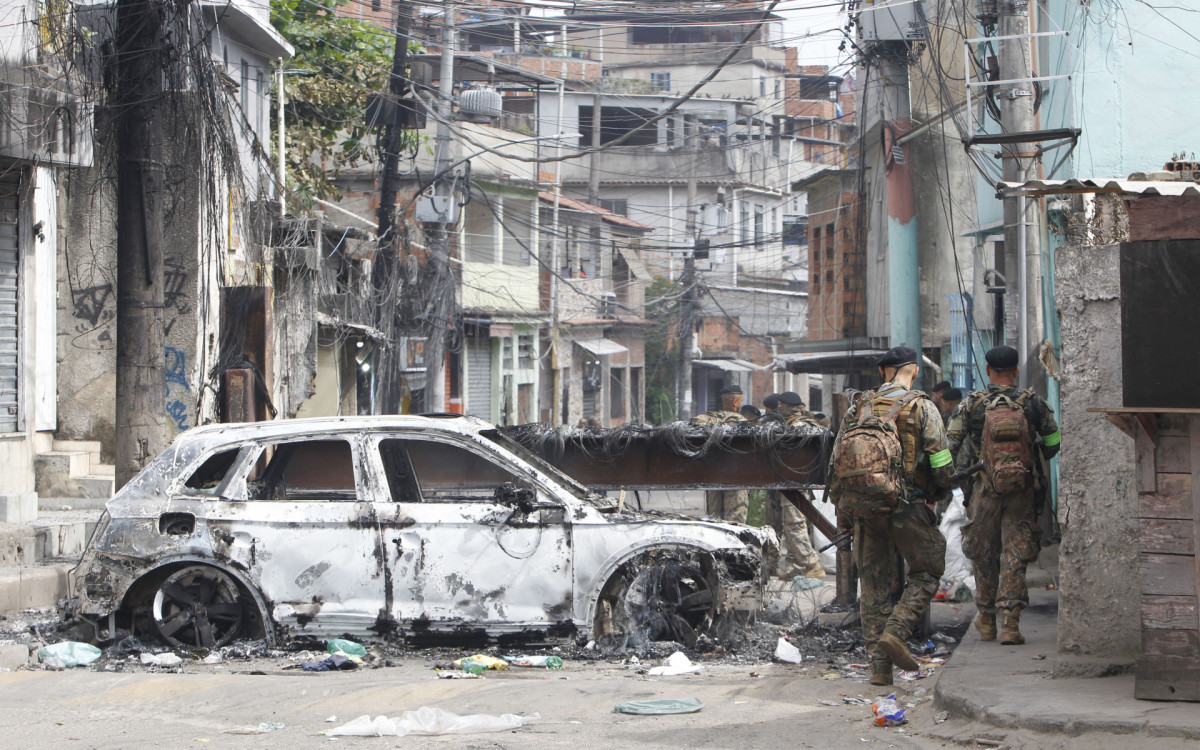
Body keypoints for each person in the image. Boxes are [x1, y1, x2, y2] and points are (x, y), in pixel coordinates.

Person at [827, 346, 954, 686]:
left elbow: (836, 465)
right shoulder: (922, 406)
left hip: (866, 511)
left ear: (882, 370)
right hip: (909, 506)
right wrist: (938, 494)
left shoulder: (858, 408)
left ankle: (880, 670)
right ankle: (897, 631)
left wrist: (844, 514)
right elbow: (941, 461)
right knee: (928, 570)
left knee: (872, 585)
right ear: (913, 371)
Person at [946, 345, 1060, 646]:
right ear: (1017, 370)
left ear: (988, 371)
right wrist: (1028, 458)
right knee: (1016, 551)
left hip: (983, 488)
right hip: (1022, 489)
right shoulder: (1034, 403)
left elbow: (951, 446)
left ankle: (985, 619)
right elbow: (1053, 442)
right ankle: (1010, 623)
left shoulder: (972, 404)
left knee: (983, 553)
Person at [765, 391, 827, 579]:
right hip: (787, 482)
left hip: (795, 482)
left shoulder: (798, 426)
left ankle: (811, 564)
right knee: (778, 523)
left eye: (780, 406)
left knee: (794, 524)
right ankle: (796, 565)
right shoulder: (801, 425)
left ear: (784, 406)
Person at [692, 384, 749, 523]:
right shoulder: (742, 422)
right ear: (736, 402)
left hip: (713, 476)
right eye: (741, 401)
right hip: (736, 478)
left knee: (714, 519)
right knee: (735, 521)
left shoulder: (707, 419)